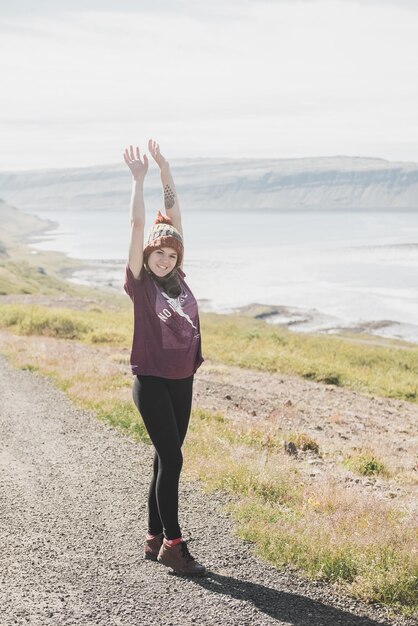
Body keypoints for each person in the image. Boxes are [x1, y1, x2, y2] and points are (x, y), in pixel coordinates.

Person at [123, 139, 206, 576]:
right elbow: (141, 224)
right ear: (147, 254)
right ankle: (174, 545)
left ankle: (153, 537)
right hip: (152, 378)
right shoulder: (140, 282)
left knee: (163, 456)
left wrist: (165, 171)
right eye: (159, 252)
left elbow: (173, 219)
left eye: (171, 254)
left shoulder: (179, 274)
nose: (165, 258)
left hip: (182, 377)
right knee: (173, 459)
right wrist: (140, 181)